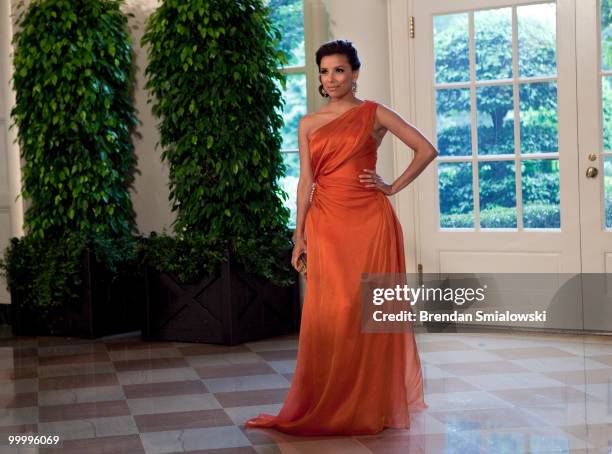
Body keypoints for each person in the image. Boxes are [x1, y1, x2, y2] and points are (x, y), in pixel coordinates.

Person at [245, 39, 438, 435]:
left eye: (339, 70)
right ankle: (330, 398)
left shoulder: (374, 114)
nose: (331, 78)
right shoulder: (309, 123)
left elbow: (426, 149)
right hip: (326, 223)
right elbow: (306, 182)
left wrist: (392, 186)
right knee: (331, 312)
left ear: (354, 73)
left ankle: (371, 403)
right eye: (324, 71)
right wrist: (298, 235)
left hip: (370, 222)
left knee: (367, 310)